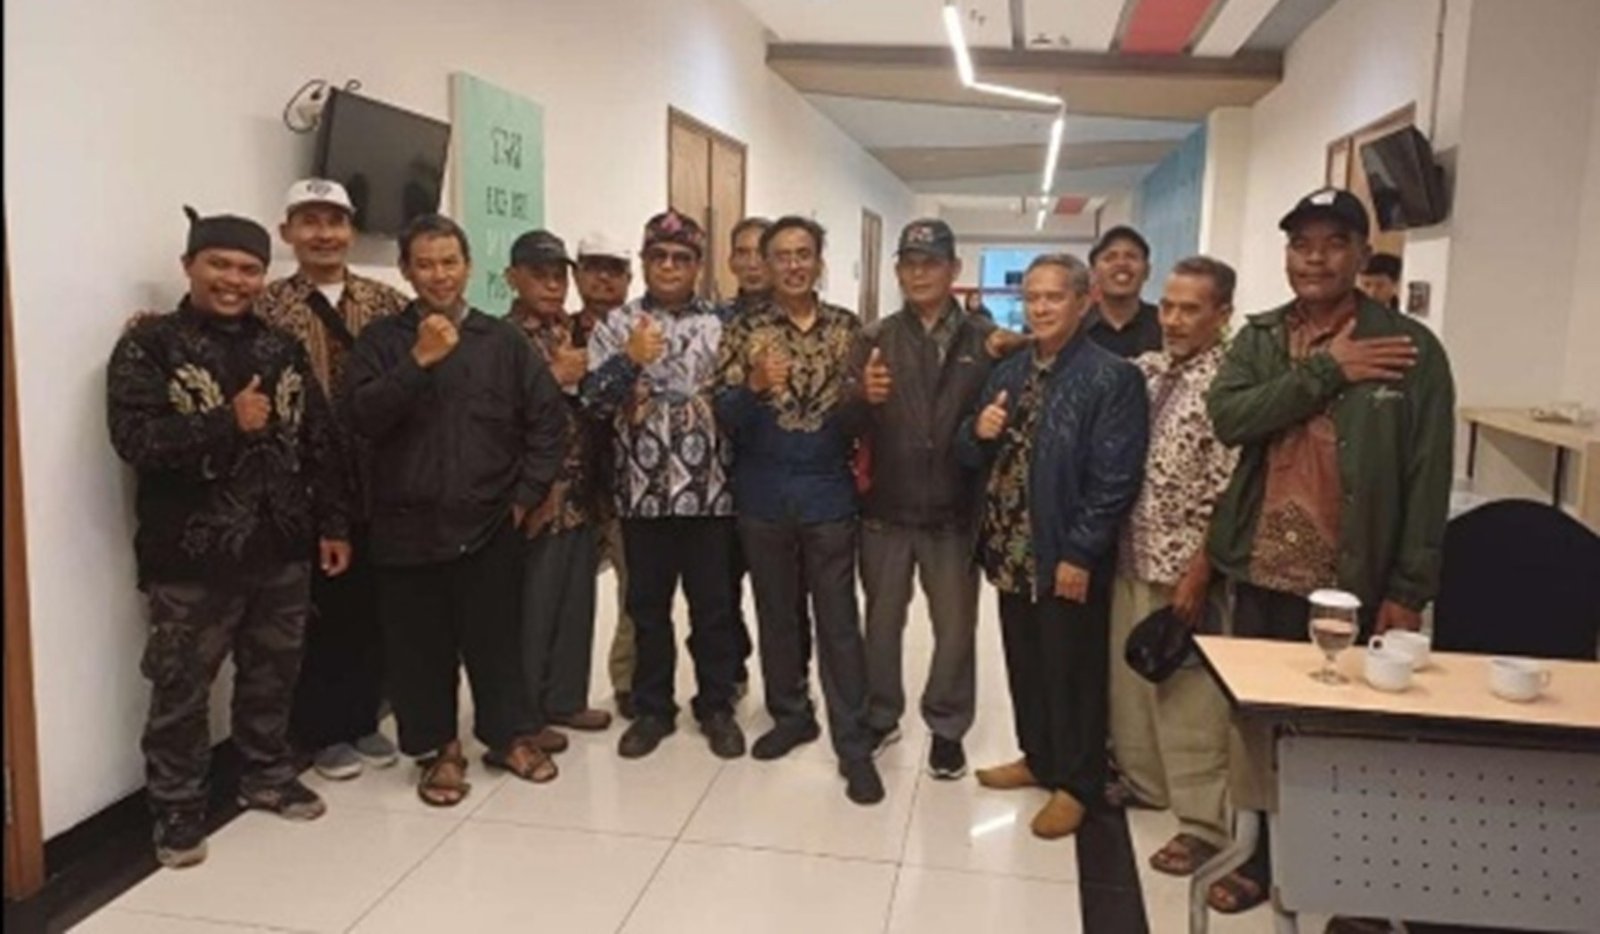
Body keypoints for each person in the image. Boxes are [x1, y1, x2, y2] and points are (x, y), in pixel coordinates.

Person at [1202, 188, 1455, 914]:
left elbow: (1427, 475)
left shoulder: (1410, 350)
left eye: (1333, 243)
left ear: (1360, 253)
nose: (1314, 259)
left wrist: (1409, 588)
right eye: (1301, 245)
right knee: (1259, 723)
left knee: (1350, 732)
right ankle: (1258, 858)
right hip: (1261, 567)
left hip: (1352, 579)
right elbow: (1229, 417)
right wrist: (1328, 371)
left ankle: (1352, 878)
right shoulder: (1259, 338)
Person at [108, 208, 350, 868]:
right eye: (219, 264)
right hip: (192, 557)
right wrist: (226, 421)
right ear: (189, 266)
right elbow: (135, 441)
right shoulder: (149, 346)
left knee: (273, 675)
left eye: (248, 269)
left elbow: (318, 440)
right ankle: (177, 807)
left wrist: (332, 524)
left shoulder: (281, 346)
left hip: (281, 548)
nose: (234, 280)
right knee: (181, 687)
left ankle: (266, 773)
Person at [346, 214, 567, 805]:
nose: (439, 275)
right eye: (425, 264)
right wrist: (417, 361)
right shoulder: (382, 342)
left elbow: (547, 421)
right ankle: (439, 751)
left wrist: (525, 496)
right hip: (406, 526)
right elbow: (361, 417)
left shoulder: (503, 342)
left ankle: (508, 736)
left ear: (468, 267)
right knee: (420, 647)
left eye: (449, 262)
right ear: (405, 271)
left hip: (490, 522)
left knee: (497, 641)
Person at [959, 253, 1148, 840]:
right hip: (1011, 543)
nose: (1040, 308)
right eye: (1033, 297)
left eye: (1054, 297)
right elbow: (971, 451)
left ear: (1084, 301)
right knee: (1026, 659)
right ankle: (1038, 757)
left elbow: (1115, 477)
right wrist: (977, 432)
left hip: (1064, 548)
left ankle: (1078, 783)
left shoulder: (1110, 377)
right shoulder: (1012, 370)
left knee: (1073, 669)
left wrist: (1081, 551)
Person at [714, 215, 883, 804]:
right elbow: (724, 415)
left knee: (838, 621)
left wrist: (866, 400)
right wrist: (753, 386)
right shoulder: (744, 329)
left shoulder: (847, 328)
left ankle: (854, 743)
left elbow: (857, 421)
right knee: (777, 614)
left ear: (818, 260)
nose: (793, 265)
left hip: (827, 491)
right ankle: (791, 715)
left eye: (803, 253)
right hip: (762, 491)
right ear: (765, 263)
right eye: (781, 255)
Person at [252, 178, 408, 783]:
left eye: (335, 221)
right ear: (287, 231)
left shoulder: (386, 303)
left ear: (352, 230)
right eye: (309, 221)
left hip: (382, 480)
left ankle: (365, 717)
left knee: (375, 607)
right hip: (305, 485)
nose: (324, 234)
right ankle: (324, 731)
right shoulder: (266, 307)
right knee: (320, 613)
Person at [581, 209, 745, 761]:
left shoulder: (724, 324)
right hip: (642, 493)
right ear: (645, 262)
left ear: (697, 265)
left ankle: (716, 706)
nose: (670, 266)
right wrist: (629, 361)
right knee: (647, 609)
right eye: (659, 257)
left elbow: (742, 400)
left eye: (681, 258)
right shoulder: (616, 325)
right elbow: (594, 403)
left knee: (713, 609)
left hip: (710, 494)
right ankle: (653, 708)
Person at [856, 218, 1013, 782]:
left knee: (954, 630)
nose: (919, 273)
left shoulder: (985, 341)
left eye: (932, 263)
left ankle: (947, 729)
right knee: (881, 625)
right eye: (909, 263)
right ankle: (881, 715)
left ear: (954, 270)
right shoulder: (874, 338)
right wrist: (861, 396)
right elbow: (846, 421)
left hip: (953, 512)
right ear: (897, 271)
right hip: (886, 509)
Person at [1107, 256, 1240, 877]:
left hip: (1186, 568)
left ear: (1222, 314)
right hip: (1133, 554)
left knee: (1190, 702)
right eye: (1168, 306)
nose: (1175, 319)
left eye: (1191, 309)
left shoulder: (1229, 386)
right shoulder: (1151, 370)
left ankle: (1203, 825)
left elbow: (1230, 491)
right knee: (1133, 683)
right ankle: (1145, 784)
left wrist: (1200, 571)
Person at [505, 230, 613, 751]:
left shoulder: (573, 329)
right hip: (537, 495)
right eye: (538, 275)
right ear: (513, 278)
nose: (551, 285)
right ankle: (522, 716)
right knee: (532, 609)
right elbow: (496, 413)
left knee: (576, 602)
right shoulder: (501, 338)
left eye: (558, 276)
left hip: (582, 489)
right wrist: (553, 374)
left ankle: (565, 698)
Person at [717, 216, 808, 702]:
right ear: (731, 260)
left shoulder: (800, 319)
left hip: (781, 482)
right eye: (743, 252)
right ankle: (732, 671)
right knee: (723, 589)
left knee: (788, 596)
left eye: (760, 253)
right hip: (720, 481)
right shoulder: (716, 321)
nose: (752, 263)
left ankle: (794, 682)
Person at [572, 233, 642, 720]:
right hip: (566, 490)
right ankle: (560, 695)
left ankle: (627, 682)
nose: (603, 278)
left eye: (613, 269)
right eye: (593, 267)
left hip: (625, 483)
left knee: (633, 593)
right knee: (566, 600)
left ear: (628, 278)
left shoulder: (645, 331)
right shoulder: (555, 332)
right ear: (577, 274)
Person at [1084, 226, 1161, 358]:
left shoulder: (1165, 325)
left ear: (1147, 271)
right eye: (1110, 257)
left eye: (1131, 256)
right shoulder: (1074, 327)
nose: (1121, 263)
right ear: (1092, 273)